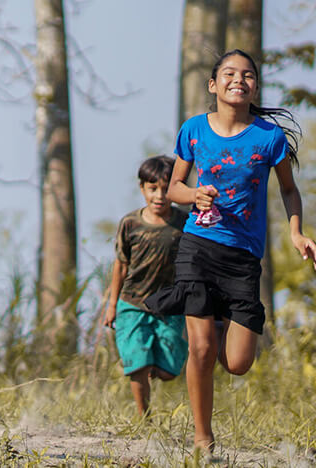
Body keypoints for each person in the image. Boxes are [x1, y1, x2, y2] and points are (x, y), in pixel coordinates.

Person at [144, 49, 316, 453]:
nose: (239, 79)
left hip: (243, 257)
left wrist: (297, 233)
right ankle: (202, 439)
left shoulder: (269, 137)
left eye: (248, 75)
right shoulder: (193, 130)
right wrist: (194, 195)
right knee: (201, 349)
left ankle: (218, 319)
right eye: (229, 73)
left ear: (255, 86)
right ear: (213, 84)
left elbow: (288, 190)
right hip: (199, 246)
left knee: (237, 363)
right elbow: (175, 187)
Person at [103, 156, 189, 417]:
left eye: (166, 189)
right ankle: (144, 416)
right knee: (137, 363)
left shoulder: (184, 223)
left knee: (168, 370)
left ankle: (153, 363)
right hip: (133, 302)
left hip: (169, 305)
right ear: (142, 188)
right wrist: (112, 305)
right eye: (153, 189)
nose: (159, 196)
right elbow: (121, 265)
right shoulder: (131, 224)